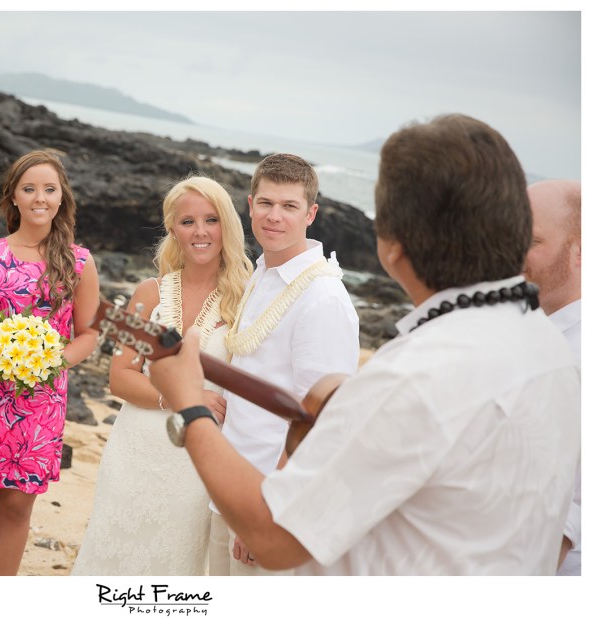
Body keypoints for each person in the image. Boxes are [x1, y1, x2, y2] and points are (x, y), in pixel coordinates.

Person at [148, 114, 580, 575]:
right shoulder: (550, 349)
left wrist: (189, 405)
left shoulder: (412, 376)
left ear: (391, 243)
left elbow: (276, 536)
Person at [71, 176, 253, 575]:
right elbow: (119, 378)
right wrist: (183, 398)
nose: (200, 232)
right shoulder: (148, 293)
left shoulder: (246, 301)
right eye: (188, 222)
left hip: (197, 461)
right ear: (173, 229)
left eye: (211, 219)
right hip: (133, 451)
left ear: (227, 224)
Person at [0, 150, 100, 576]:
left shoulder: (80, 263)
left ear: (62, 197)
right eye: (29, 189)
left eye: (49, 189)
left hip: (40, 404)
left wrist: (52, 362)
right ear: (13, 198)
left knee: (16, 508)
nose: (40, 198)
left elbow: (89, 333)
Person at [210, 153, 359, 575]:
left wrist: (272, 512)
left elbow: (321, 422)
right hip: (230, 485)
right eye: (266, 204)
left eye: (289, 206)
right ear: (250, 204)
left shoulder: (323, 298)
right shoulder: (261, 273)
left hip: (268, 502)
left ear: (311, 213)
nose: (275, 217)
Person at [524, 179, 581, 576]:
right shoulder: (527, 326)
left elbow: (571, 512)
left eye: (531, 240)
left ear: (580, 252)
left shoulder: (578, 357)